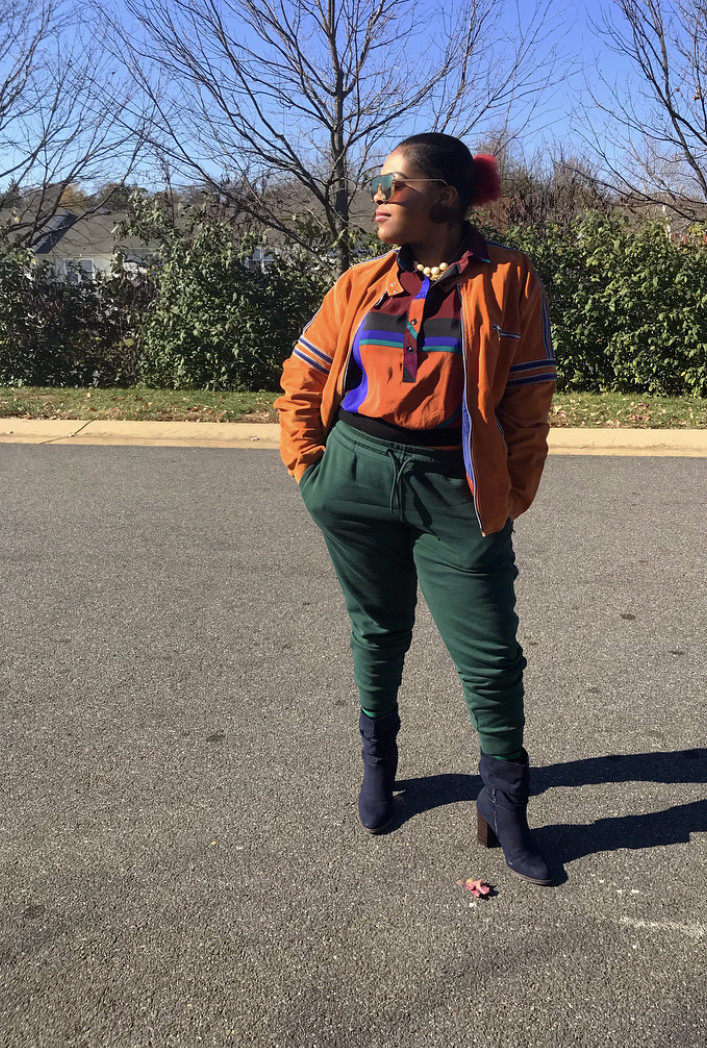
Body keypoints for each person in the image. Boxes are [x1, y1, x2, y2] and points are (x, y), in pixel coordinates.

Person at [276, 132, 557, 885]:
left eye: (391, 184)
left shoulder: (509, 278)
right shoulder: (360, 283)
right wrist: (310, 468)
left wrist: (510, 493)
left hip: (454, 488)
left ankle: (505, 800)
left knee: (491, 653)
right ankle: (380, 764)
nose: (376, 196)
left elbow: (529, 399)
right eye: (378, 183)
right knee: (377, 629)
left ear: (444, 198)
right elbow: (302, 378)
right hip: (355, 475)